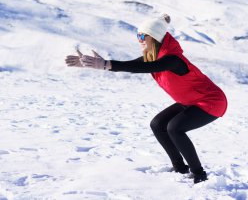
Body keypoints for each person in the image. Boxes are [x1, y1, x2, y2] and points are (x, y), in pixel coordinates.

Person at [65, 14, 227, 184]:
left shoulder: (172, 59)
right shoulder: (153, 56)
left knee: (175, 128)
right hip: (191, 100)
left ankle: (199, 174)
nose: (139, 39)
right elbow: (131, 64)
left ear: (155, 37)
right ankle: (179, 167)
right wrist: (98, 65)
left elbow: (143, 68)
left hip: (211, 101)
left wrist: (106, 64)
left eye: (143, 36)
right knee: (157, 124)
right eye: (138, 35)